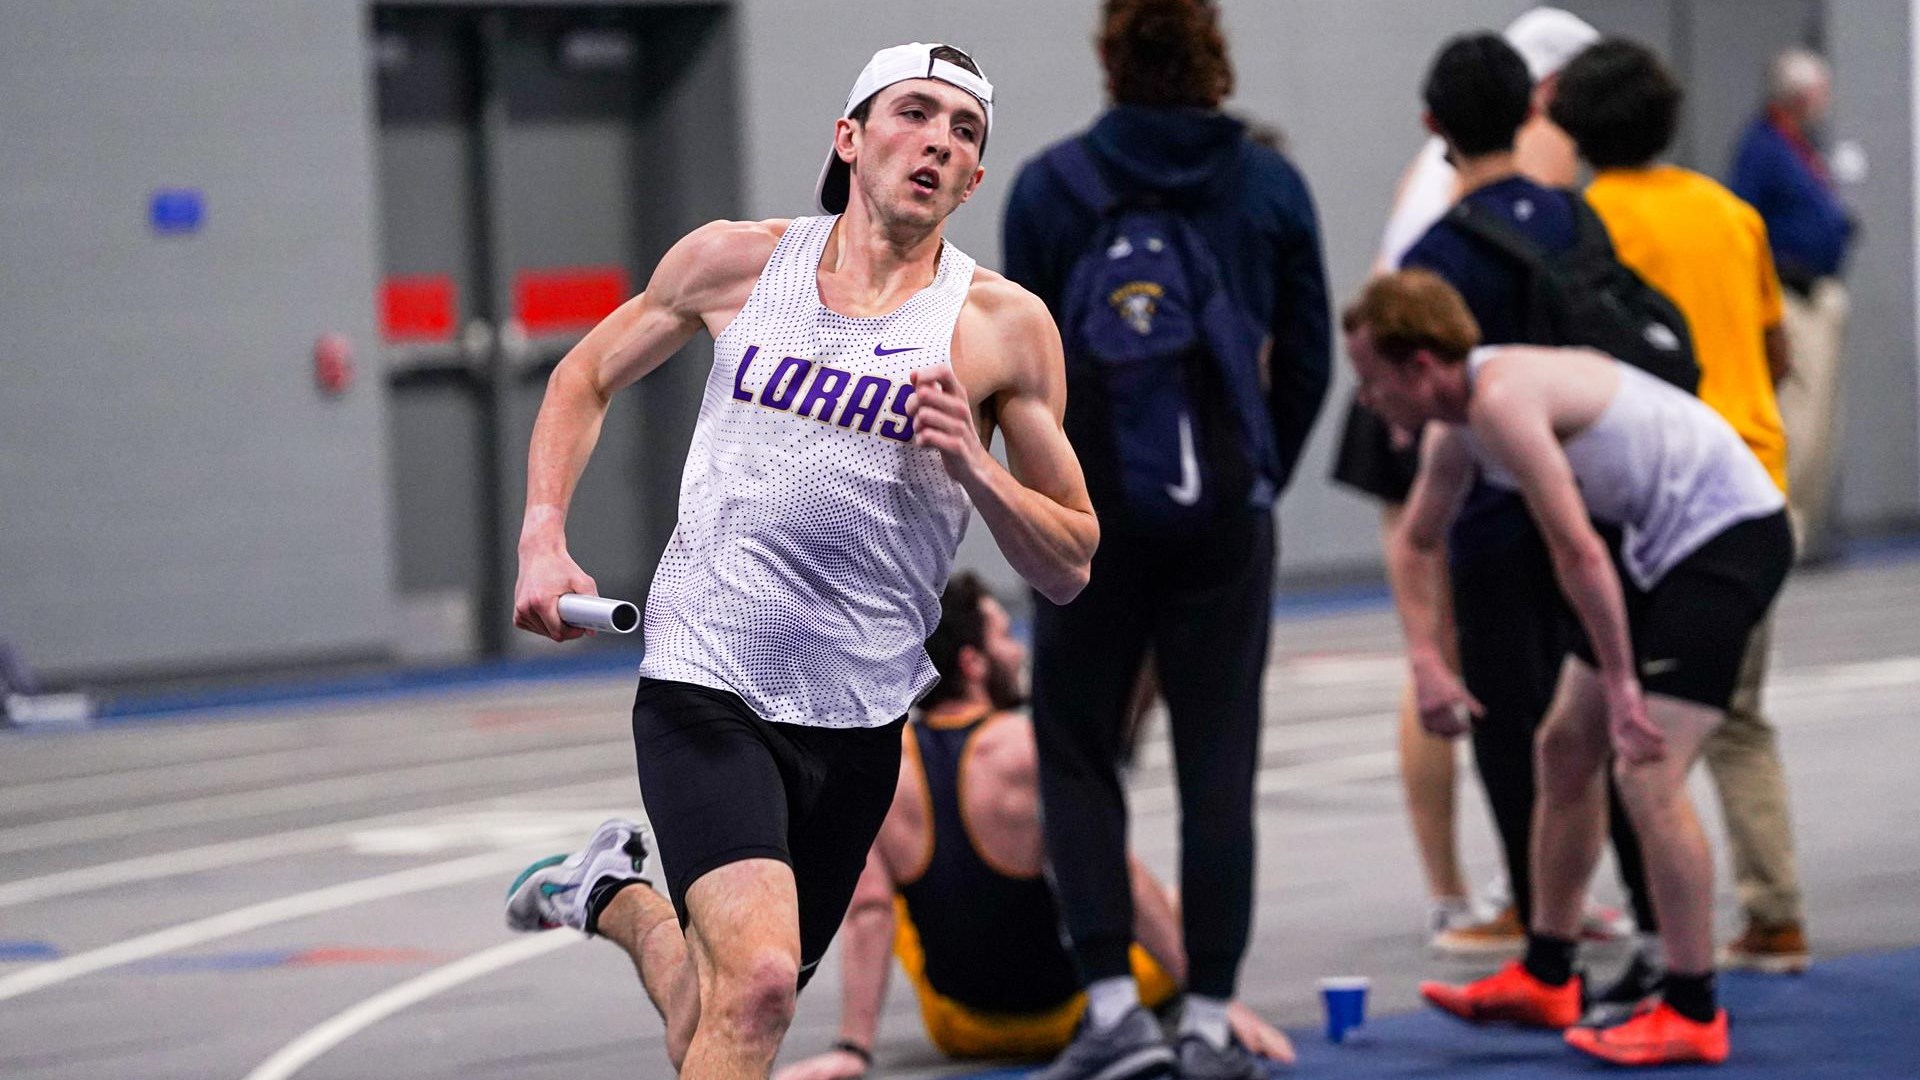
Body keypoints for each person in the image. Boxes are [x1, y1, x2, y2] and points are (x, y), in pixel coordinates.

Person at [499, 42, 1099, 1080]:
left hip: (860, 719)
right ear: (851, 137)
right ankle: (624, 899)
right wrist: (543, 536)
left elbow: (1071, 559)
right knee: (765, 984)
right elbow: (586, 374)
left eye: (965, 133)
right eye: (916, 113)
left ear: (975, 179)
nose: (939, 141)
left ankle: (613, 896)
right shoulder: (736, 263)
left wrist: (976, 466)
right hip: (707, 676)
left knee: (722, 1003)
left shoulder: (1002, 329)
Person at [1002, 3, 1330, 1078]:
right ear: (1216, 57)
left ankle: (1111, 1009)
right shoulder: (1271, 185)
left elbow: (1023, 373)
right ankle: (1206, 1019)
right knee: (1216, 759)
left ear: (1110, 56)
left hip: (1088, 513)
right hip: (1223, 515)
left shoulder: (1050, 188)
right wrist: (1258, 474)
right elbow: (1314, 356)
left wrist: (1049, 501)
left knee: (1078, 748)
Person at [1349, 269, 1792, 1067]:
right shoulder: (1457, 426)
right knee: (1562, 746)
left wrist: (1624, 686)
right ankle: (1550, 973)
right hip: (1656, 545)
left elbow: (1578, 551)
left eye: (1372, 380)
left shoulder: (1501, 402)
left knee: (1646, 770)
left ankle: (1692, 1008)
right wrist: (1426, 663)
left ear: (1419, 367)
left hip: (1727, 535)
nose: (1368, 400)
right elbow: (1417, 542)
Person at [1362, 32, 1660, 994]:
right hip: (1593, 494)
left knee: (1516, 729)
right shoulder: (1580, 220)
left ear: (1432, 127)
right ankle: (1656, 928)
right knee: (1612, 713)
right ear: (1535, 111)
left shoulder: (1437, 253)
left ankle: (1547, 938)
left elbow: (1421, 401)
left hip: (1494, 511)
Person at [772, 574, 1294, 1079]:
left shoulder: (886, 763)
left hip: (961, 1027)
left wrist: (853, 1048)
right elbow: (1122, 885)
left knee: (894, 882)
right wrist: (1216, 1009)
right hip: (1068, 1013)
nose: (1018, 651)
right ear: (973, 663)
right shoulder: (1027, 748)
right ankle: (1162, 1007)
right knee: (1135, 880)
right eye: (1003, 635)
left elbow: (867, 914)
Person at [1332, 7, 1601, 955]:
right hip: (1430, 412)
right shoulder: (1551, 195)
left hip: (1460, 421)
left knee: (1475, 674)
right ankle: (1473, 894)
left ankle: (1531, 895)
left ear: (1433, 121)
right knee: (1466, 666)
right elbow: (1395, 320)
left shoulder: (1443, 197)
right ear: (1539, 101)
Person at [1553, 37, 1811, 979]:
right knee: (1737, 715)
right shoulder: (1732, 213)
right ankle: (1772, 910)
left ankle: (1680, 944)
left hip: (1669, 502)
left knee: (1646, 731)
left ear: (1574, 127)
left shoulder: (1587, 221)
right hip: (1760, 480)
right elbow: (1778, 347)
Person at [1730, 49, 1858, 561]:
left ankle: (1808, 523)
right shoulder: (1762, 149)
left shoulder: (1800, 146)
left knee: (1824, 413)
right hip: (1791, 295)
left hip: (1820, 291)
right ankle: (1788, 523)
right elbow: (1747, 221)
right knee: (1798, 414)